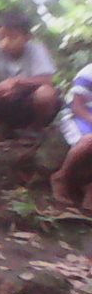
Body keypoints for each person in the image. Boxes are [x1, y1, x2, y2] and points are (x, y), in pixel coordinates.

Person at [0, 12, 61, 135]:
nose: (5, 42)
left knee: (46, 94)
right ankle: (2, 126)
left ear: (27, 37)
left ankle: (35, 129)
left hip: (29, 102)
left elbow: (47, 80)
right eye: (1, 37)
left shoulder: (36, 50)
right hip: (4, 99)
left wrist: (17, 82)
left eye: (12, 37)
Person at [53, 61, 92, 209]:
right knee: (89, 141)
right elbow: (77, 107)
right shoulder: (88, 73)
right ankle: (61, 177)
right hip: (81, 117)